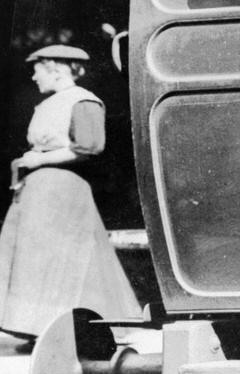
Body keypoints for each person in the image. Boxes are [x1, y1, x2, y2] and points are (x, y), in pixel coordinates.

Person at [0, 45, 139, 341]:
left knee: (62, 260)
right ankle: (36, 327)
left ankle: (63, 330)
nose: (34, 76)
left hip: (61, 191)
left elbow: (90, 146)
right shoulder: (48, 103)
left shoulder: (82, 100)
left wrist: (41, 159)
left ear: (57, 68)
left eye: (38, 68)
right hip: (38, 190)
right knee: (38, 258)